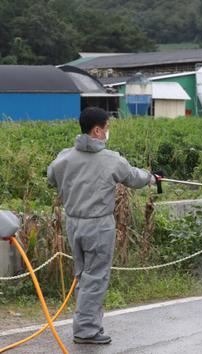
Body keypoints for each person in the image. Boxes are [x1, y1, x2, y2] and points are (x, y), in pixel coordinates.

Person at [47, 107, 155, 345]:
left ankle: (87, 324)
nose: (108, 132)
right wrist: (152, 177)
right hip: (98, 226)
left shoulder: (64, 157)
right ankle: (86, 330)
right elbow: (134, 178)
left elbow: (51, 177)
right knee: (95, 277)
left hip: (73, 223)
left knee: (83, 275)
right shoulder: (111, 160)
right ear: (97, 131)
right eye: (106, 128)